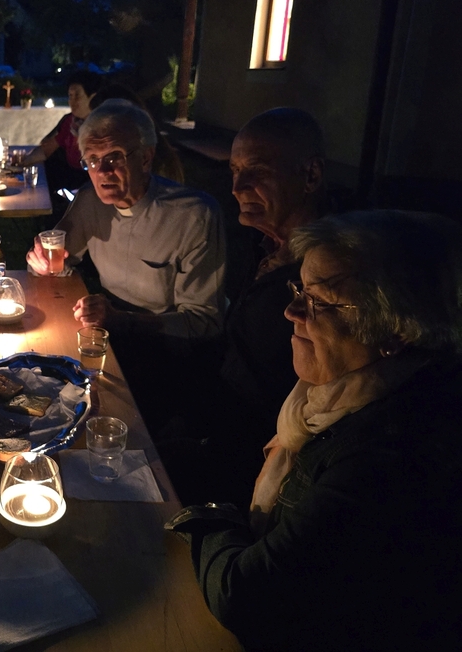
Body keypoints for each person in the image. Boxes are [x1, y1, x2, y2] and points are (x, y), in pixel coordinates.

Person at [167, 210, 462, 652]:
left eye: (320, 301)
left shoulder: (388, 454)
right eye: (299, 290)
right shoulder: (329, 395)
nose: (290, 311)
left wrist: (206, 516)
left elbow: (245, 596)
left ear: (397, 330)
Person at [25, 99, 225, 429]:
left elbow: (206, 323)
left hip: (169, 353)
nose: (102, 171)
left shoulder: (194, 215)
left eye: (114, 157)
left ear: (145, 157)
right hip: (108, 334)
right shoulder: (91, 200)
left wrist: (123, 321)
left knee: (97, 418)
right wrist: (43, 263)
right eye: (92, 160)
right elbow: (54, 259)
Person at [196, 108, 327, 503]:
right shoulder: (263, 247)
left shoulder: (327, 275)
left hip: (263, 465)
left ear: (310, 176)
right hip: (216, 424)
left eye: (257, 171)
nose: (238, 187)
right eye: (235, 171)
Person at [22, 70, 102, 220]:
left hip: (91, 184)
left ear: (93, 97)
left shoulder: (102, 126)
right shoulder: (70, 121)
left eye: (77, 95)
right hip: (70, 181)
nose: (72, 101)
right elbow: (47, 149)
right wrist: (22, 162)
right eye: (70, 96)